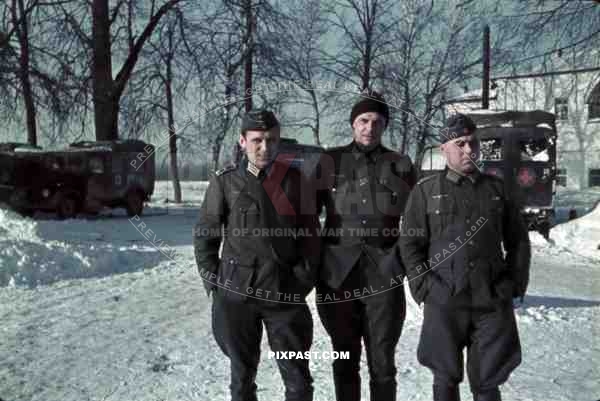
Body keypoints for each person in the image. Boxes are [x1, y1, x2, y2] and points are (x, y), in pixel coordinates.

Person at [398, 114, 531, 401]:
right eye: (460, 144)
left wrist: (512, 285)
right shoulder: (425, 192)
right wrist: (425, 288)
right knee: (445, 378)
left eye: (473, 143)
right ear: (444, 148)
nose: (469, 150)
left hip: (490, 299)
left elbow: (518, 241)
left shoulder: (497, 190)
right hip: (444, 301)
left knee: (488, 380)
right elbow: (410, 244)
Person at [193, 109, 320, 401]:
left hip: (284, 292)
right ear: (242, 141)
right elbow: (205, 236)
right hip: (237, 296)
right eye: (257, 140)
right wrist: (215, 284)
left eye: (272, 140)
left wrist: (302, 280)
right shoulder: (225, 182)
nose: (265, 148)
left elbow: (312, 237)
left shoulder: (296, 181)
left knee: (298, 380)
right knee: (241, 378)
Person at [315, 91, 416, 401]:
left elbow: (416, 221)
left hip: (383, 277)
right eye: (363, 121)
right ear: (352, 124)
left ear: (384, 126)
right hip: (338, 277)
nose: (369, 128)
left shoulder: (400, 164)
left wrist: (404, 262)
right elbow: (306, 218)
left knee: (382, 361)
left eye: (377, 122)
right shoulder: (329, 161)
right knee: (344, 358)